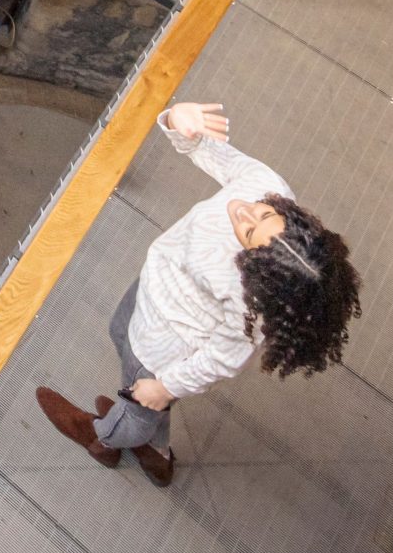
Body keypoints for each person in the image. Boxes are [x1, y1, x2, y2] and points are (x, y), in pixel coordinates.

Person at [35, 100, 360, 488]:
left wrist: (166, 387)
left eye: (250, 233)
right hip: (156, 287)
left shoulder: (252, 301)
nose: (242, 212)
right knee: (119, 332)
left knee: (138, 403)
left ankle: (103, 438)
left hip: (164, 342)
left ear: (256, 268)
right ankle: (156, 456)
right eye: (263, 213)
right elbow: (209, 151)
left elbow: (224, 359)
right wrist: (177, 121)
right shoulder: (269, 188)